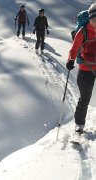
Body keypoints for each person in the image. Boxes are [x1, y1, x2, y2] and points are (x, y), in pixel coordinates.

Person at [66, 3, 96, 134]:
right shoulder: (83, 31)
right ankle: (79, 125)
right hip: (85, 69)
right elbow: (74, 48)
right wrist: (70, 60)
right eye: (95, 19)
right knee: (85, 98)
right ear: (90, 18)